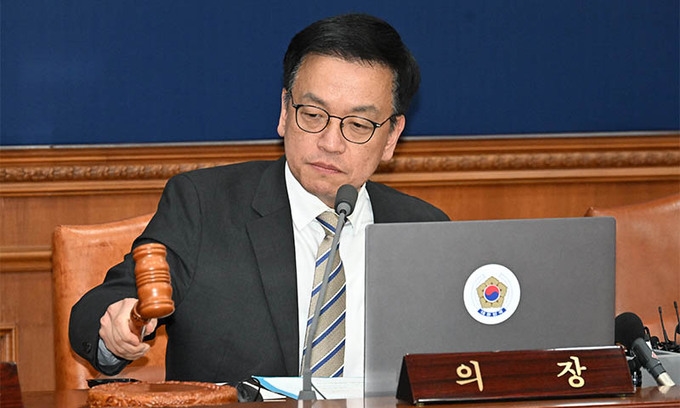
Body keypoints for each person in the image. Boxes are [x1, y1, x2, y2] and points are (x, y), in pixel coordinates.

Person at [69, 13, 449, 385]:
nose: (330, 143)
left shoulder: (425, 231)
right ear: (284, 111)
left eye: (358, 124)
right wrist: (118, 328)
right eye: (312, 115)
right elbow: (106, 305)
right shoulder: (203, 207)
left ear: (392, 136)